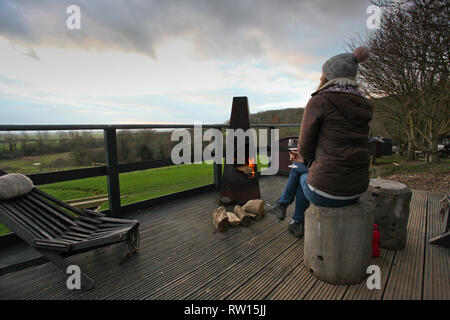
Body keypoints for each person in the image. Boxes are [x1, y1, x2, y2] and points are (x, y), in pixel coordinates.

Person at [271, 47, 374, 238]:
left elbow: (305, 148)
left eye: (322, 74)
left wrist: (305, 158)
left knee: (299, 170)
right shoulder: (363, 104)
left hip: (330, 192)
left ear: (328, 76)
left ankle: (286, 207)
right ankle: (294, 219)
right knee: (303, 171)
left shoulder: (320, 101)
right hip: (358, 187)